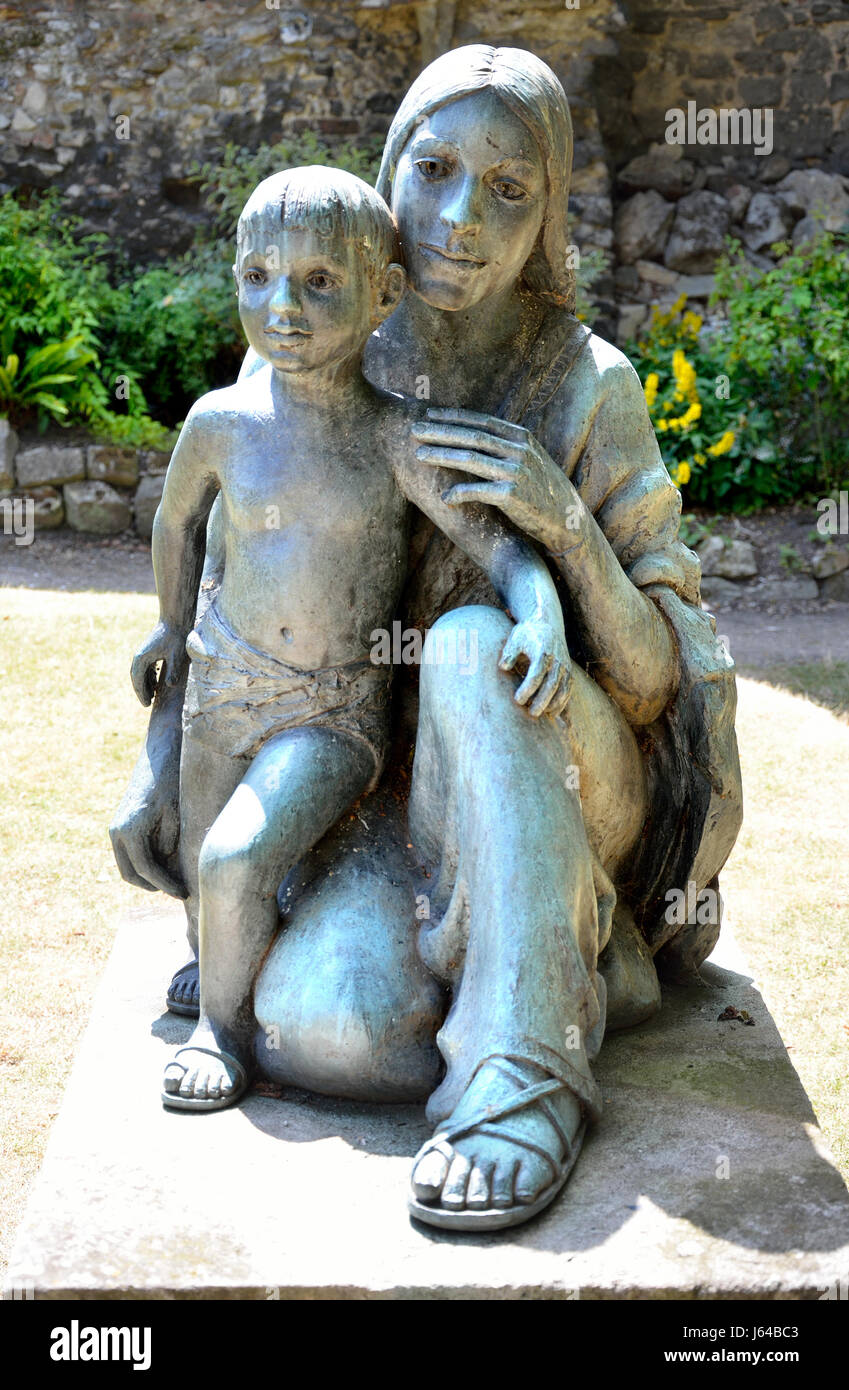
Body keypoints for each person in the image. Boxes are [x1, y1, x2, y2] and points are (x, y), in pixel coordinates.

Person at [111, 47, 741, 1230]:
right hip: (377, 798)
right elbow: (217, 581)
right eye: (436, 168)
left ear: (548, 212)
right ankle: (555, 961)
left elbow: (662, 685)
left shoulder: (588, 385)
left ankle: (521, 1082)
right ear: (391, 169)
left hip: (568, 764)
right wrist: (164, 766)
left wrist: (557, 519)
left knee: (468, 644)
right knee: (331, 1027)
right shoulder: (320, 337)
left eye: (509, 189)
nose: (458, 218)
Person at [130, 164, 572, 1112]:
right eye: (259, 278)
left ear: (383, 292)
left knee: (235, 858)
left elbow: (495, 547)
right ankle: (218, 969)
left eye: (319, 283)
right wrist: (170, 624)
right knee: (206, 868)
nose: (281, 308)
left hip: (329, 713)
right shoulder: (221, 422)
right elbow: (177, 524)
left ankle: (222, 1028)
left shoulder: (393, 439)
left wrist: (538, 609)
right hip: (222, 686)